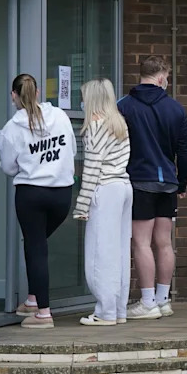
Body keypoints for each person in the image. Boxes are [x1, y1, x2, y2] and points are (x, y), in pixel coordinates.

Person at [0, 74, 76, 329]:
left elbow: (9, 167)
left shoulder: (11, 129)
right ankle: (32, 299)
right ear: (38, 92)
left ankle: (44, 313)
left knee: (36, 248)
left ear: (14, 96)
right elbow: (72, 150)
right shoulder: (61, 117)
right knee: (37, 245)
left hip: (32, 193)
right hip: (62, 193)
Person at [118, 55, 187, 320]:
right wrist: (181, 181)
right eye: (168, 77)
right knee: (163, 242)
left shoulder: (124, 106)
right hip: (168, 182)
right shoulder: (176, 109)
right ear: (161, 77)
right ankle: (163, 300)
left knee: (140, 242)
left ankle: (147, 301)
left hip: (139, 180)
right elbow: (185, 151)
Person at [73, 78, 132, 326]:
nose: (82, 101)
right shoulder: (119, 123)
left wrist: (82, 204)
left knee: (100, 253)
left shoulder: (95, 126)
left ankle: (105, 311)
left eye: (84, 96)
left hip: (105, 189)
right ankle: (118, 310)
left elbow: (92, 169)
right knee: (119, 251)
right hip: (123, 186)